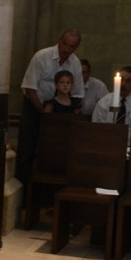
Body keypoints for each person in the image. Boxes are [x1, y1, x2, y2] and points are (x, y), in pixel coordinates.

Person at [15, 29, 83, 183]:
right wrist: (44, 114)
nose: (66, 49)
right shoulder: (42, 57)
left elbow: (78, 93)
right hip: (35, 105)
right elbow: (29, 88)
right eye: (64, 44)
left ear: (77, 47)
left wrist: (69, 112)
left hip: (61, 111)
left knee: (55, 150)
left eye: (71, 47)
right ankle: (23, 186)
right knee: (28, 147)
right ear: (59, 40)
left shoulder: (75, 63)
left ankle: (50, 187)